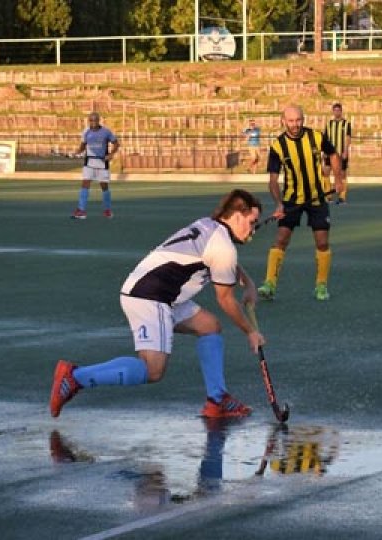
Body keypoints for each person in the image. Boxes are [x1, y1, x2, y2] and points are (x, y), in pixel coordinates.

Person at [49, 189, 266, 419]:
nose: (252, 231)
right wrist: (250, 332)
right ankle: (75, 377)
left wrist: (247, 280)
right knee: (153, 369)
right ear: (237, 216)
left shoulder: (209, 225)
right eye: (252, 222)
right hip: (151, 297)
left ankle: (217, 399)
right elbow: (225, 299)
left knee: (209, 326)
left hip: (155, 292)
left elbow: (222, 262)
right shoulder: (223, 247)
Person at [257, 105, 343, 302]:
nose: (295, 125)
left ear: (303, 119)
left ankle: (321, 286)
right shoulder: (278, 146)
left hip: (317, 198)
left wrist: (338, 179)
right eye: (291, 121)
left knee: (322, 242)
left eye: (298, 120)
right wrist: (279, 204)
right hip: (291, 199)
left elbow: (333, 154)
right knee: (281, 240)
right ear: (283, 121)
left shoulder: (317, 137)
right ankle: (269, 283)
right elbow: (272, 180)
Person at [71, 112, 120, 219]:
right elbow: (83, 147)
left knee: (104, 187)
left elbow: (116, 144)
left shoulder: (106, 132)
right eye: (91, 120)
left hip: (102, 164)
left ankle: (107, 210)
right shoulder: (86, 132)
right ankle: (81, 210)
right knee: (85, 183)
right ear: (89, 121)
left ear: (99, 121)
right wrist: (76, 152)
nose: (93, 122)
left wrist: (111, 154)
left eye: (95, 120)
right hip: (89, 163)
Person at [324, 102, 352, 204]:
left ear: (341, 111)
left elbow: (348, 138)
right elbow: (325, 138)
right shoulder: (329, 124)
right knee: (326, 172)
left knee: (342, 174)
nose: (336, 112)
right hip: (330, 153)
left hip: (341, 153)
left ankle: (342, 197)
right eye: (335, 110)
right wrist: (325, 151)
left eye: (338, 110)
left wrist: (345, 150)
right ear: (333, 111)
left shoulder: (346, 123)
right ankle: (328, 196)